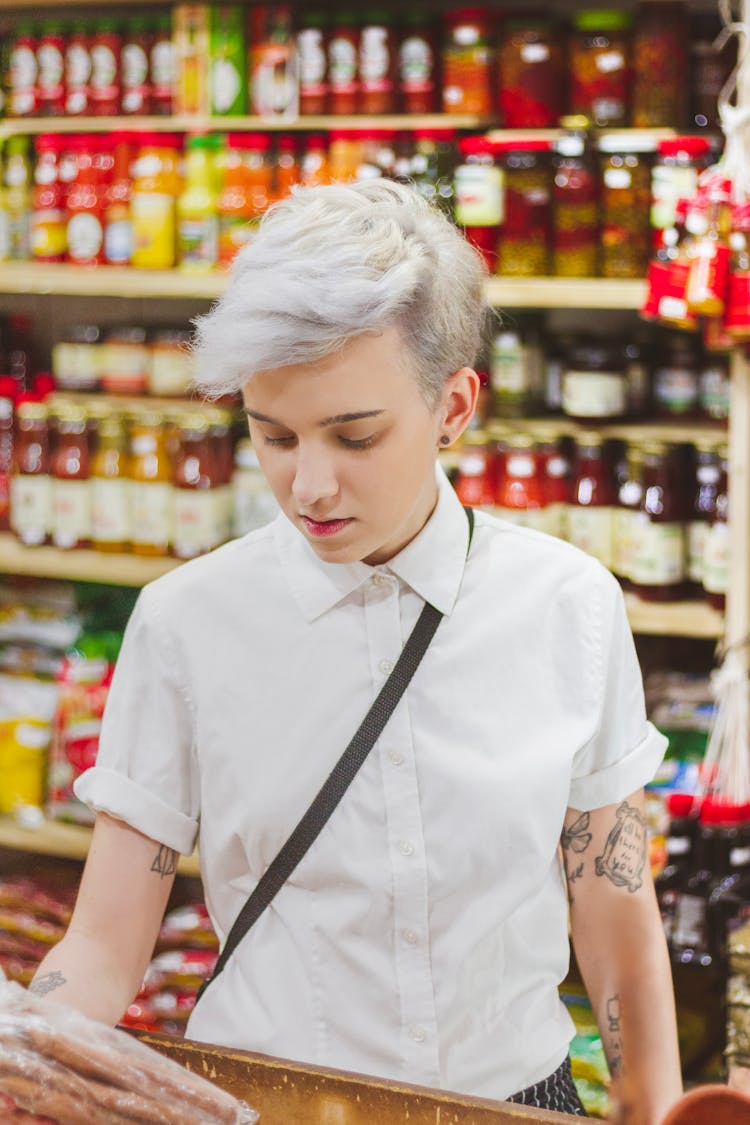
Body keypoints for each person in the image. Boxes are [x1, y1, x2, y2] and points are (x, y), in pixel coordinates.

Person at [30, 180, 681, 1122]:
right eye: (274, 436)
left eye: (356, 434)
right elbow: (103, 947)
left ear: (454, 406)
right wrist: (28, 1050)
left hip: (514, 1101)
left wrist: (652, 1106)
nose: (311, 485)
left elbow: (615, 912)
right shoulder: (185, 624)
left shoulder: (568, 606)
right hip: (268, 1101)